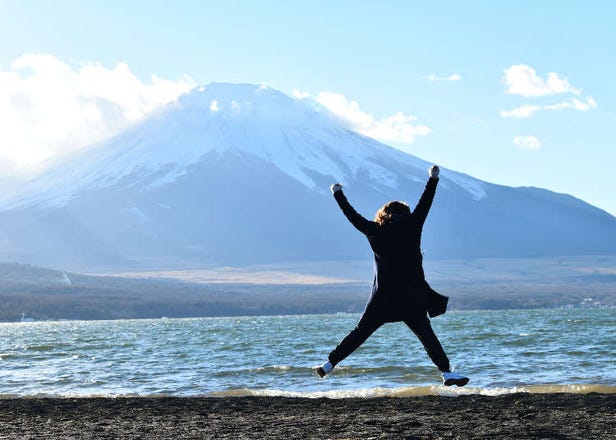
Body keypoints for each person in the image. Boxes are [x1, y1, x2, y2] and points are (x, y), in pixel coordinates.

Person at [316, 165, 469, 387]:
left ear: (383, 215)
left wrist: (338, 194)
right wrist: (433, 178)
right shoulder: (413, 226)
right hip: (411, 297)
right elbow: (426, 202)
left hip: (383, 299)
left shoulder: (374, 231)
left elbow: (352, 216)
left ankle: (329, 364)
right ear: (404, 214)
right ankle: (446, 373)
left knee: (360, 332)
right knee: (426, 336)